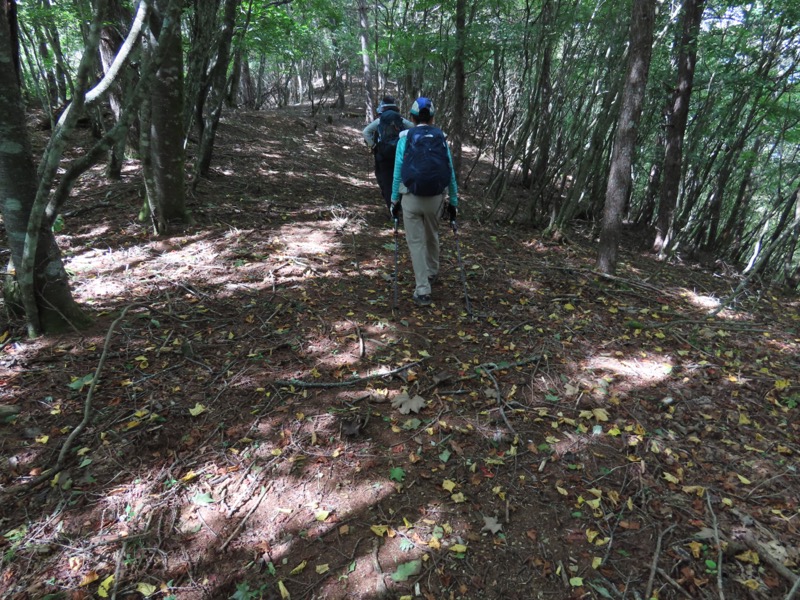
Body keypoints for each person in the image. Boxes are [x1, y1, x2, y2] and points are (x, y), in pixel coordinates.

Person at [390, 97, 458, 307]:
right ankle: (432, 271)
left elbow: (398, 172)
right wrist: (453, 201)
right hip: (436, 198)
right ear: (432, 117)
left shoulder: (405, 137)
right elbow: (451, 172)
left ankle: (422, 290)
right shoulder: (440, 138)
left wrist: (394, 200)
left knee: (416, 243)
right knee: (432, 235)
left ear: (412, 117)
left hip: (411, 197)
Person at [362, 96, 414, 214]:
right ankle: (400, 206)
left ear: (382, 106)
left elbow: (365, 132)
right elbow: (413, 127)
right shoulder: (400, 119)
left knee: (385, 181)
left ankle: (391, 209)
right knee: (398, 179)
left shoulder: (380, 119)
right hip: (399, 155)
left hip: (383, 156)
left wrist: (373, 145)